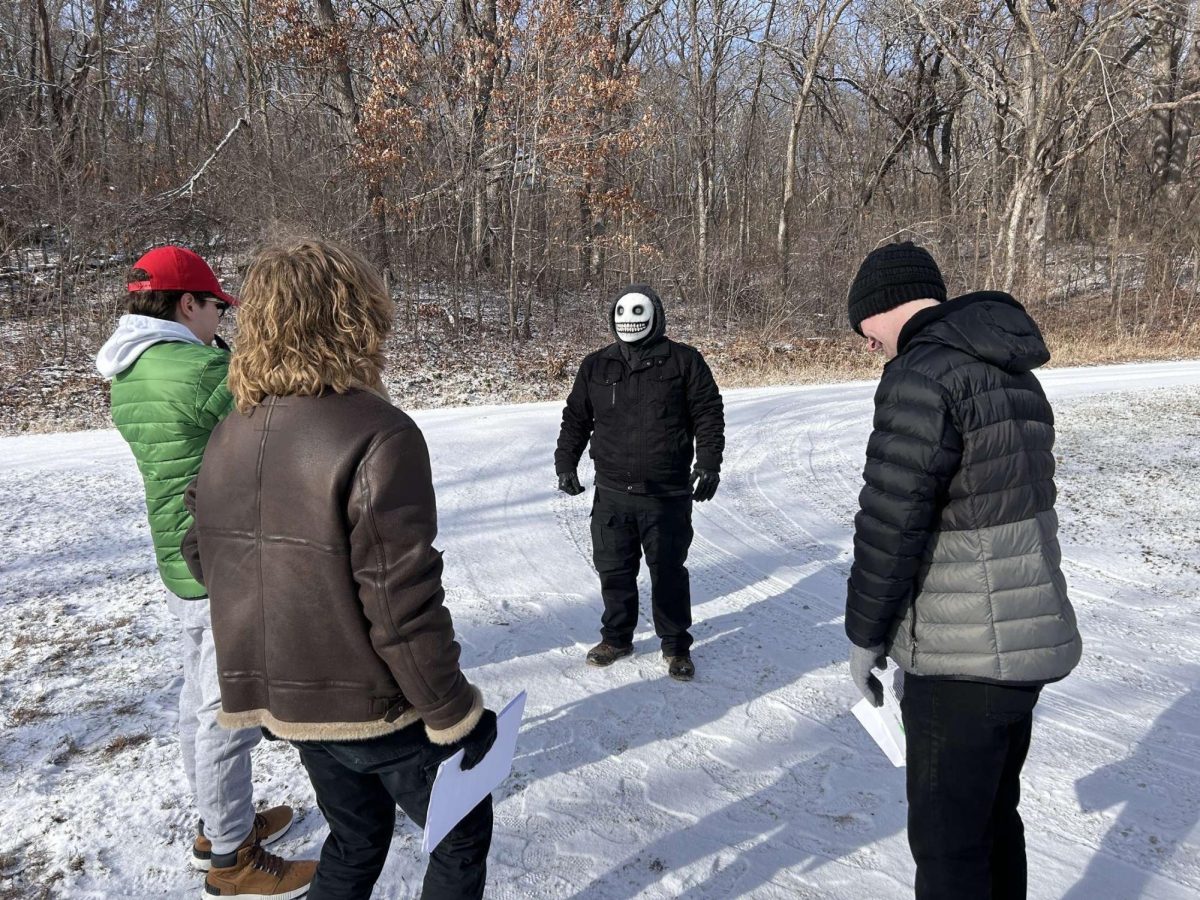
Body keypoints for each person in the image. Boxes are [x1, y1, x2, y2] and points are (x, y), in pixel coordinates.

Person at [182, 237, 496, 900]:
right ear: (356, 317)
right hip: (374, 709)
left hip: (286, 703)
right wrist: (454, 712)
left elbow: (202, 555)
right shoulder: (379, 432)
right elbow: (400, 600)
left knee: (355, 836)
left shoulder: (228, 431)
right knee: (460, 830)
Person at [843, 241, 1083, 899]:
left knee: (950, 851)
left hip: (960, 660)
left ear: (883, 309)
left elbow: (891, 523)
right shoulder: (1009, 369)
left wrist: (865, 638)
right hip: (1023, 649)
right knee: (994, 825)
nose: (867, 346)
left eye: (862, 329)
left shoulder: (921, 374)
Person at [95, 246, 309, 895]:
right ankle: (230, 862)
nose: (223, 318)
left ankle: (222, 825)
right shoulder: (192, 369)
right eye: (218, 306)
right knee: (226, 707)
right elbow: (279, 419)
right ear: (186, 303)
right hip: (222, 553)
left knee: (197, 696)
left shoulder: (131, 367)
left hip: (181, 556)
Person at [555, 283, 725, 681]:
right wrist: (566, 461)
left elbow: (708, 413)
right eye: (622, 314)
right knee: (614, 570)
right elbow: (576, 418)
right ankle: (616, 637)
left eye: (639, 314)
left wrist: (709, 462)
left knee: (668, 571)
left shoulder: (684, 361)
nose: (630, 322)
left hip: (666, 494)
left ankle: (676, 645)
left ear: (656, 315)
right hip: (612, 493)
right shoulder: (596, 365)